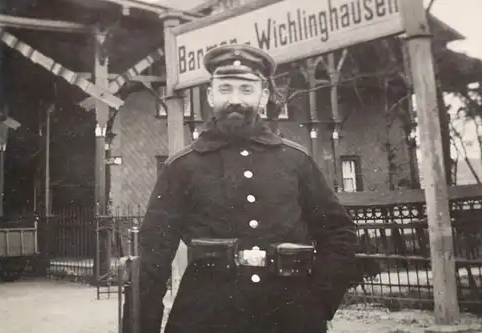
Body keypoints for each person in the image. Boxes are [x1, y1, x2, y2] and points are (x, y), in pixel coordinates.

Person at [124, 44, 358, 333]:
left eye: (247, 90)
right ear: (210, 95)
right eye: (225, 89)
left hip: (290, 317)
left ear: (264, 96)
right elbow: (152, 260)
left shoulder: (296, 160)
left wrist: (318, 301)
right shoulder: (182, 167)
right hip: (205, 318)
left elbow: (339, 233)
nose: (235, 99)